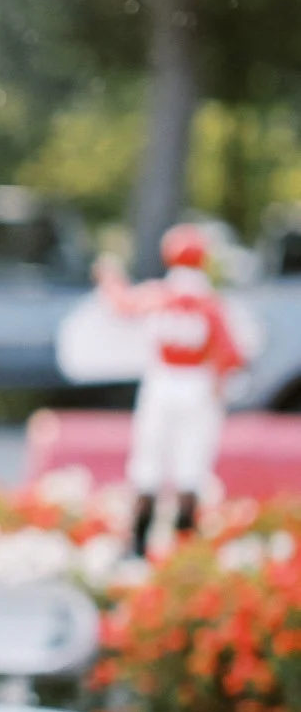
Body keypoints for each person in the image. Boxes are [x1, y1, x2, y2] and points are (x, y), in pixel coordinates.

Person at [96, 223, 244, 557]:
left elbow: (122, 305)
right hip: (197, 388)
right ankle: (185, 545)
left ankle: (138, 541)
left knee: (147, 464)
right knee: (191, 468)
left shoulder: (159, 295)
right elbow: (231, 354)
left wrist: (110, 277)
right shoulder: (210, 304)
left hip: (162, 385)